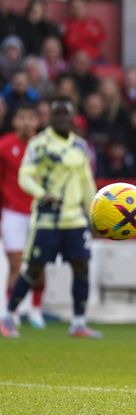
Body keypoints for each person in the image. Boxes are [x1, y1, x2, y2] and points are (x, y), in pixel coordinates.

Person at [0, 96, 99, 338]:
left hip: (74, 219)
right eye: (58, 114)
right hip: (46, 218)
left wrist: (94, 212)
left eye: (67, 114)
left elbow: (87, 182)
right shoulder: (40, 145)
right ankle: (9, 315)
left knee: (82, 267)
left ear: (73, 118)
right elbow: (25, 176)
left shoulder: (80, 146)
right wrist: (41, 194)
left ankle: (78, 322)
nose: (63, 119)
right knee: (33, 269)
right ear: (50, 118)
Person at [0, 103, 45, 329]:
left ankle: (36, 310)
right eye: (22, 117)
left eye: (31, 117)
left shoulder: (45, 148)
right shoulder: (4, 146)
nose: (26, 122)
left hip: (40, 214)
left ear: (37, 121)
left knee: (39, 267)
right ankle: (12, 312)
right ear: (14, 121)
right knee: (16, 266)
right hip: (12, 214)